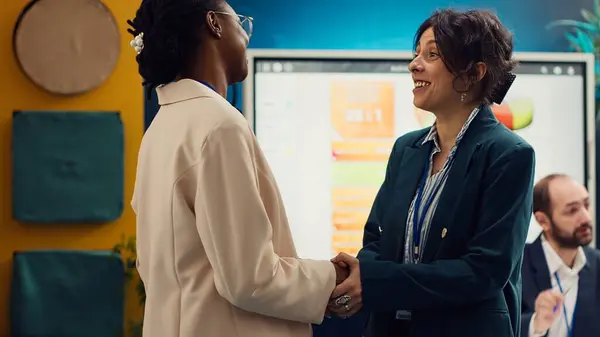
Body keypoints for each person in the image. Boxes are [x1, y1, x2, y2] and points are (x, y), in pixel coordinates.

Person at [127, 1, 348, 337]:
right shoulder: (219, 125)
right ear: (214, 23)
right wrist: (332, 279)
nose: (246, 35)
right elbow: (251, 279)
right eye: (240, 22)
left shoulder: (162, 127)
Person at [329, 9, 535, 337]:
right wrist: (358, 274)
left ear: (472, 74)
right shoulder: (405, 150)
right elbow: (376, 239)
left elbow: (484, 271)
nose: (414, 65)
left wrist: (377, 283)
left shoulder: (509, 155)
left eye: (432, 54)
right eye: (416, 53)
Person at [521, 174, 600, 337]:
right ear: (543, 221)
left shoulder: (597, 264)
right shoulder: (515, 266)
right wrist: (535, 325)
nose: (586, 217)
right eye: (572, 210)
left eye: (587, 205)